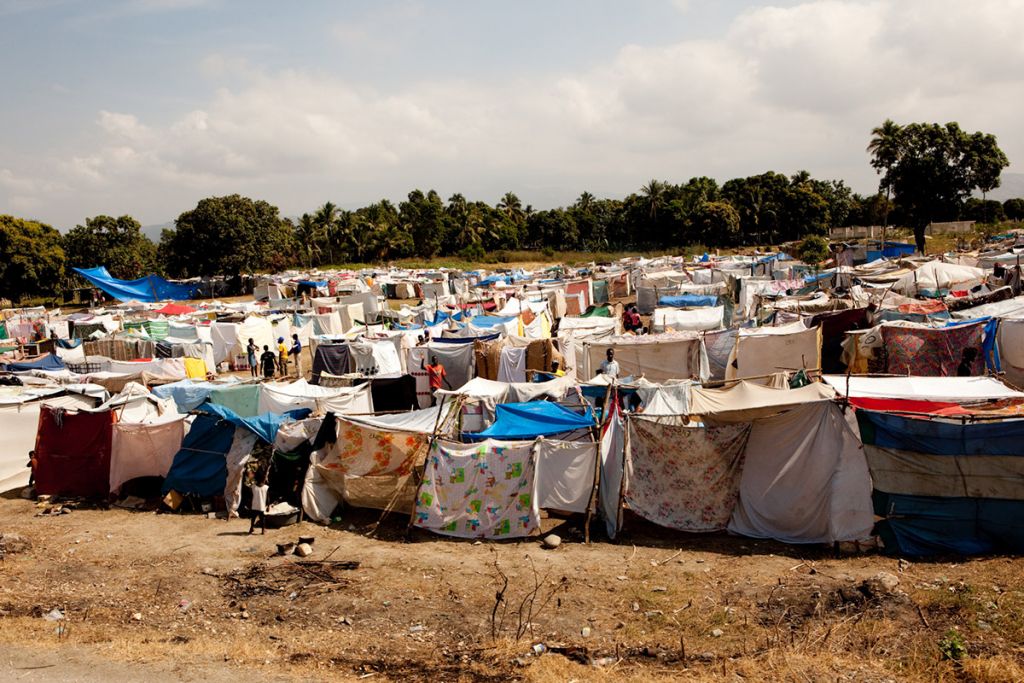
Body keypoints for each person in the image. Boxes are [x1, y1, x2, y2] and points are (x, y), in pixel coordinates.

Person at [248, 460, 270, 535]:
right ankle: (263, 530)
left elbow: (251, 497)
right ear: (263, 478)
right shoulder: (266, 488)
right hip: (261, 506)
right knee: (262, 518)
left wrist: (250, 504)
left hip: (254, 505)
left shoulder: (253, 487)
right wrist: (268, 505)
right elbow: (268, 498)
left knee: (253, 518)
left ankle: (251, 528)